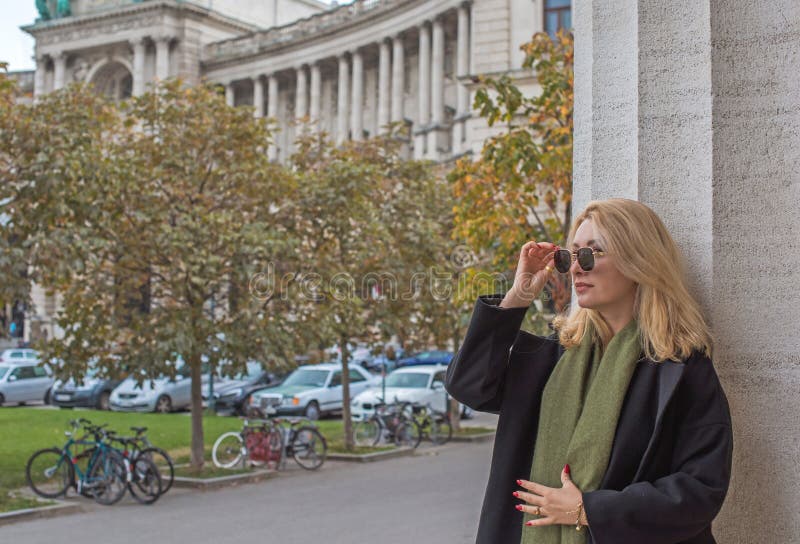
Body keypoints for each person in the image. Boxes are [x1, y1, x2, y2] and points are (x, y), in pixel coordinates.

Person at [446, 198, 732, 544]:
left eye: (592, 254)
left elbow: (700, 489)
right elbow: (470, 385)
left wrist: (590, 510)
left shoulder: (680, 367)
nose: (577, 269)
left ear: (638, 260)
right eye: (570, 256)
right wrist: (518, 295)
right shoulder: (552, 358)